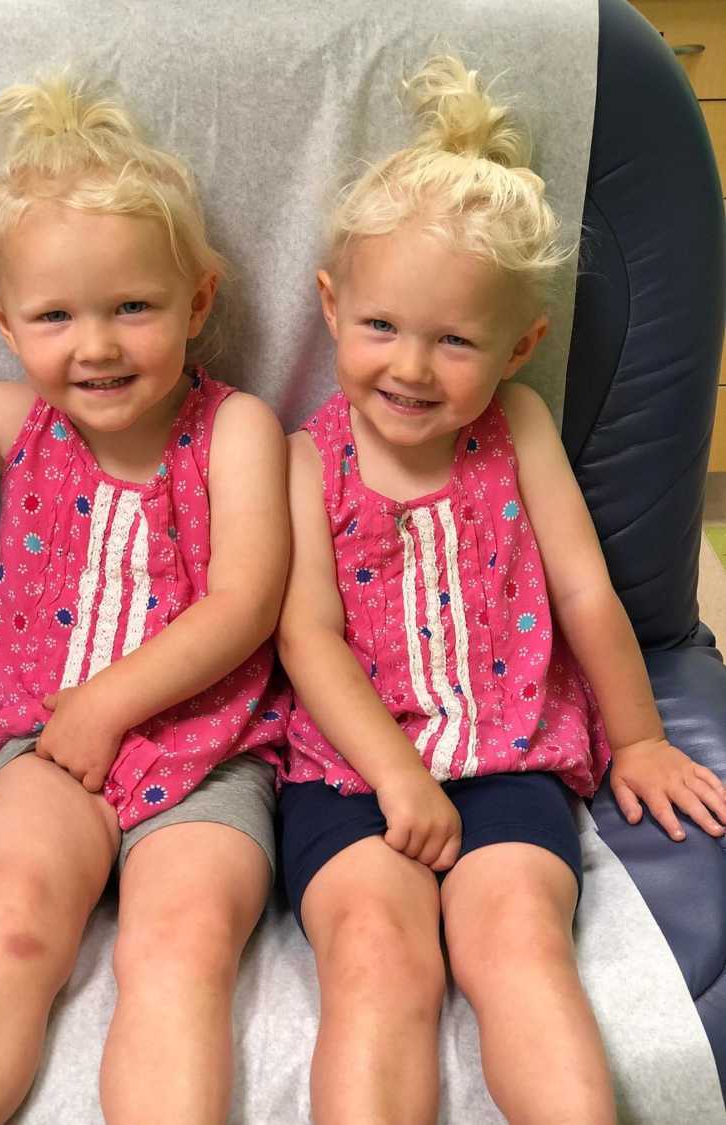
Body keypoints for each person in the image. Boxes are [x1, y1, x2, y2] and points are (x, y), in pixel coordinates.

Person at [0, 72, 288, 1124]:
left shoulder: (236, 432)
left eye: (134, 306)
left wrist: (110, 702)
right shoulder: (10, 419)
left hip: (213, 757)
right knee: (9, 926)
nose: (97, 344)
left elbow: (246, 600)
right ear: (3, 318)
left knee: (182, 949)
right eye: (55, 315)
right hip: (41, 746)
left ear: (199, 300)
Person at [275, 55, 726, 1125]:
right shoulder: (304, 458)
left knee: (521, 945)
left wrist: (642, 738)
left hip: (507, 757)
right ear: (332, 308)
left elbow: (584, 596)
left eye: (457, 341)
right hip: (349, 777)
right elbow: (308, 640)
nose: (414, 369)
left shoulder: (517, 427)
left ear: (521, 345)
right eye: (382, 327)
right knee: (378, 964)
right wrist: (396, 780)